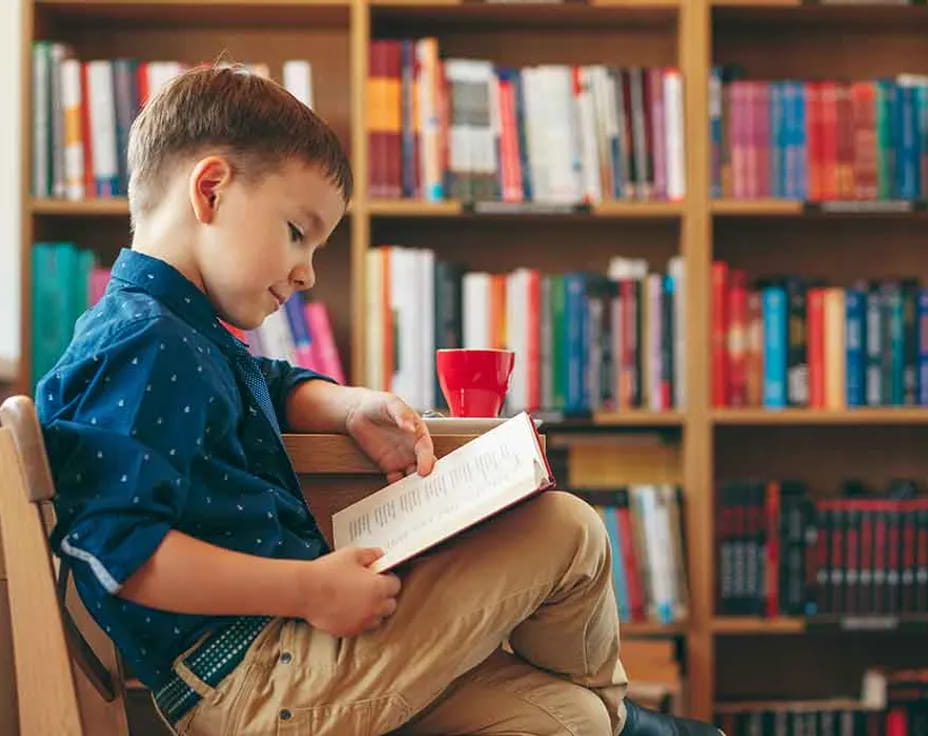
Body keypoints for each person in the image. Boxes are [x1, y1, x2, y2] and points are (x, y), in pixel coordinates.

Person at [37, 64, 720, 736]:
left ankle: (610, 718)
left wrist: (346, 406)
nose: (306, 273)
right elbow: (122, 553)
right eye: (297, 233)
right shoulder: (141, 342)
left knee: (568, 721)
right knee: (565, 531)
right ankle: (627, 721)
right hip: (257, 679)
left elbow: (268, 386)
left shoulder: (181, 333)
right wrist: (308, 591)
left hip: (287, 656)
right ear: (211, 190)